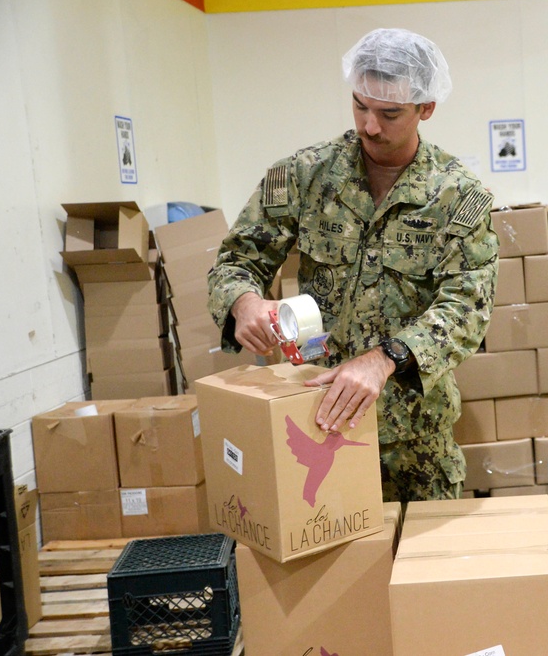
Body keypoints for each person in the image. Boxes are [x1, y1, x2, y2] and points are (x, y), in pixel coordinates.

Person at [207, 28, 499, 503]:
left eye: (389, 113)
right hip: (313, 422)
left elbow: (467, 308)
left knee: (416, 573)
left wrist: (384, 359)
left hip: (412, 443)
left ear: (425, 108)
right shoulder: (304, 176)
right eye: (360, 105)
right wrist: (243, 301)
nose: (370, 126)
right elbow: (239, 258)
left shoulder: (457, 196)